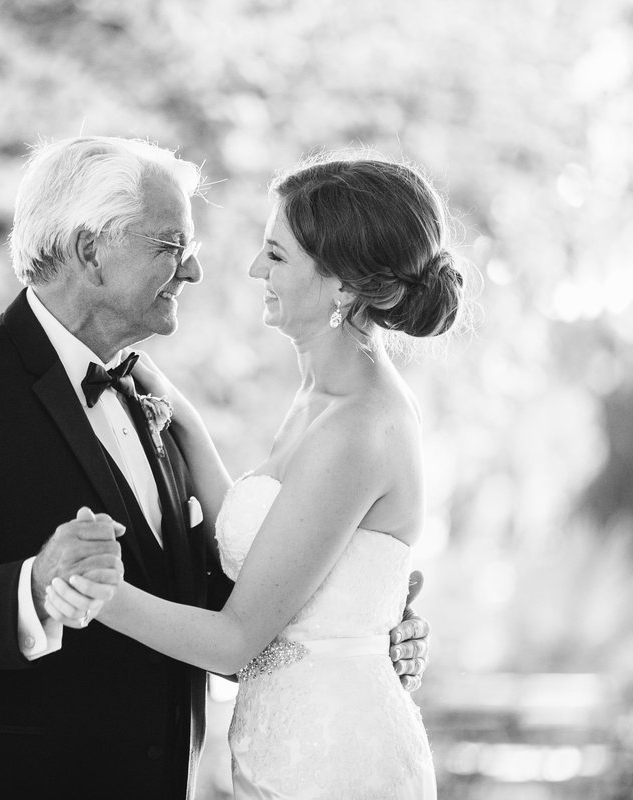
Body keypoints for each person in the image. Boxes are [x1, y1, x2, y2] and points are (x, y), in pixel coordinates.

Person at [0, 137, 429, 800]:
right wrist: (34, 586)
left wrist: (355, 629)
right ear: (89, 250)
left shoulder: (149, 395)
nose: (194, 271)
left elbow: (224, 600)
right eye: (169, 245)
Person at [45, 152, 458, 797]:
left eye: (277, 255)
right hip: (280, 749)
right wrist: (178, 417)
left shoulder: (359, 426)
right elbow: (261, 537)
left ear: (343, 286)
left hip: (336, 763)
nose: (252, 269)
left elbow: (235, 640)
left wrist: (91, 593)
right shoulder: (319, 398)